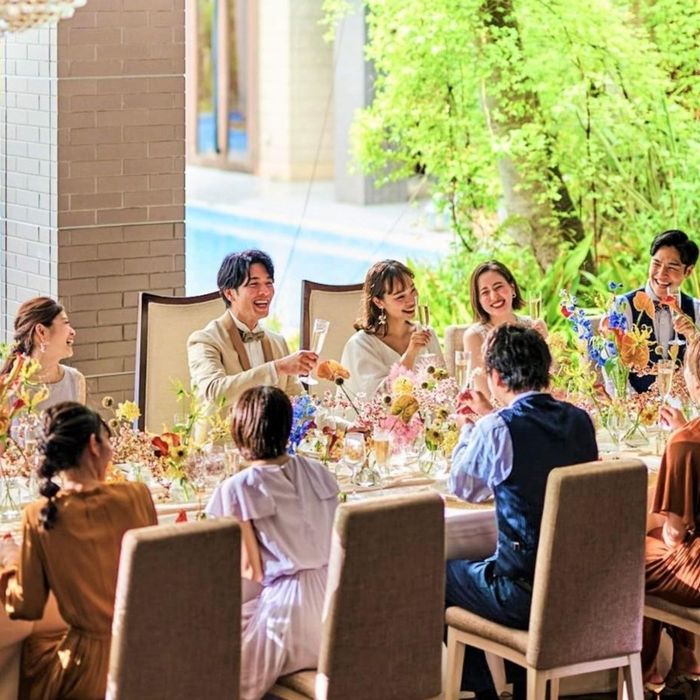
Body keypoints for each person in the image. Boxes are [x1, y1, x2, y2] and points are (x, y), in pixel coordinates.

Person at [446, 325, 597, 699]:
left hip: (525, 596)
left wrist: (469, 430)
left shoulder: (498, 428)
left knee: (444, 574)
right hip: (583, 588)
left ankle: (484, 694)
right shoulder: (581, 420)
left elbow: (465, 487)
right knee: (500, 562)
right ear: (546, 369)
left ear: (496, 377)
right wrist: (488, 421)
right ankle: (525, 689)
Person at [0, 402, 157, 700]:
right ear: (94, 445)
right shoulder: (138, 495)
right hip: (144, 657)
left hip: (87, 672)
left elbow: (27, 607)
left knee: (34, 650)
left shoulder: (39, 515)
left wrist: (10, 560)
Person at [205, 386, 339, 700]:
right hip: (334, 609)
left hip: (288, 615)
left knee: (218, 670)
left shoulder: (238, 488)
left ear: (241, 430)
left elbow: (250, 571)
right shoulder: (319, 472)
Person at [188, 250, 316, 409]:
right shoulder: (205, 340)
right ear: (229, 293)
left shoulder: (278, 342)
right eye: (254, 284)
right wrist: (277, 368)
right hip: (224, 427)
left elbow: (300, 404)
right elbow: (215, 392)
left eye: (268, 283)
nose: (265, 292)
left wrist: (338, 422)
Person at [642, 338, 700, 689]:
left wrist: (679, 438)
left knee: (632, 555)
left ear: (694, 379)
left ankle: (641, 673)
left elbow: (674, 535)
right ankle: (685, 657)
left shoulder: (686, 443)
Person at [341, 259, 444, 398]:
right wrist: (410, 354)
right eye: (400, 297)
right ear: (378, 302)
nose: (412, 300)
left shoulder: (426, 333)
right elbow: (377, 400)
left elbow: (443, 386)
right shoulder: (360, 345)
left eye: (413, 290)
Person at [618, 229, 700, 393]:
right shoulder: (623, 306)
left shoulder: (696, 310)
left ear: (688, 271)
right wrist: (634, 405)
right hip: (635, 405)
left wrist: (693, 338)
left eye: (672, 267)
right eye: (656, 264)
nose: (661, 274)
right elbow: (614, 374)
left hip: (684, 406)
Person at [463, 261, 546, 397]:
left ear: (512, 288)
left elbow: (553, 377)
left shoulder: (534, 326)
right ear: (478, 300)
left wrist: (544, 343)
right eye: (485, 292)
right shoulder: (474, 336)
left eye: (498, 287)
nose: (494, 296)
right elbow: (485, 395)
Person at [0, 297, 85, 410]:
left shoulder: (75, 380)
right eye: (66, 323)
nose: (73, 332)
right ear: (41, 332)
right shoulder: (6, 389)